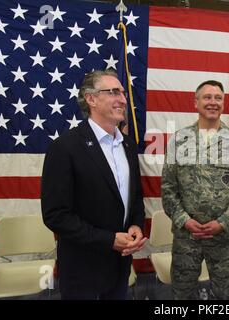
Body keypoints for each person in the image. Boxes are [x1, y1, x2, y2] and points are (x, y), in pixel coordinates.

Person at [41, 69, 147, 300]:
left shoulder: (128, 145)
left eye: (122, 93)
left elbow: (135, 196)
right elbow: (56, 215)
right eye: (113, 92)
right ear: (91, 99)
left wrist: (137, 225)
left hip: (120, 266)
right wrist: (109, 240)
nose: (122, 98)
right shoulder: (65, 147)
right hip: (83, 269)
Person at [161, 80, 229, 299]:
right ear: (195, 103)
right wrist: (184, 220)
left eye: (218, 98)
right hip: (187, 237)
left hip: (225, 238)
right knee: (182, 295)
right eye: (207, 97)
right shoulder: (179, 140)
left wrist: (223, 223)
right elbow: (168, 188)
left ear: (223, 103)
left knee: (227, 296)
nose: (212, 102)